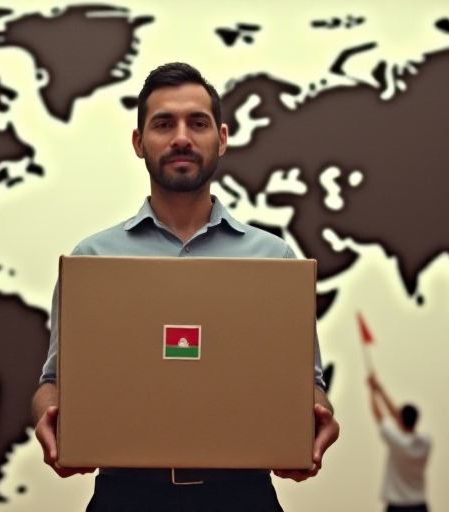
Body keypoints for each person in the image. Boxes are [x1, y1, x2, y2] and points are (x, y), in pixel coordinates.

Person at [30, 62, 339, 511]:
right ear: (139, 143)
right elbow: (52, 383)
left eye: (198, 123)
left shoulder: (275, 260)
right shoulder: (92, 260)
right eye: (163, 124)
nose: (181, 137)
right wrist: (49, 418)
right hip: (125, 498)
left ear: (223, 138)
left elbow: (307, 385)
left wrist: (317, 420)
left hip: (243, 497)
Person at [367, 373, 431, 512]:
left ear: (400, 420)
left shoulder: (398, 442)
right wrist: (379, 388)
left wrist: (373, 390)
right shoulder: (427, 442)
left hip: (397, 506)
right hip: (420, 505)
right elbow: (397, 416)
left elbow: (380, 415)